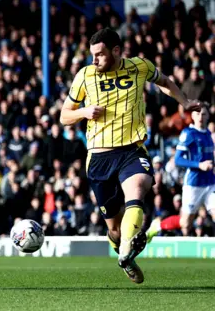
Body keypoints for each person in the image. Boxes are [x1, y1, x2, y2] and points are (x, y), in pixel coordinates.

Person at [60, 28, 201, 284]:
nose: (95, 60)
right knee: (113, 228)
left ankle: (126, 249)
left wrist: (184, 102)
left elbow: (165, 82)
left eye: (100, 55)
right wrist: (84, 112)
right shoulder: (85, 76)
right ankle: (124, 253)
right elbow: (63, 115)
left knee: (139, 187)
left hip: (131, 150)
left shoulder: (139, 67)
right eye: (92, 55)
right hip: (99, 158)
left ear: (116, 51)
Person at [147, 105, 215, 240]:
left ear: (208, 116)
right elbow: (178, 159)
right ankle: (158, 226)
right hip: (193, 183)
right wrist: (199, 165)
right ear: (193, 116)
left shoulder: (207, 133)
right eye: (198, 114)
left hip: (209, 183)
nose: (201, 117)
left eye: (204, 114)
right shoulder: (188, 134)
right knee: (185, 223)